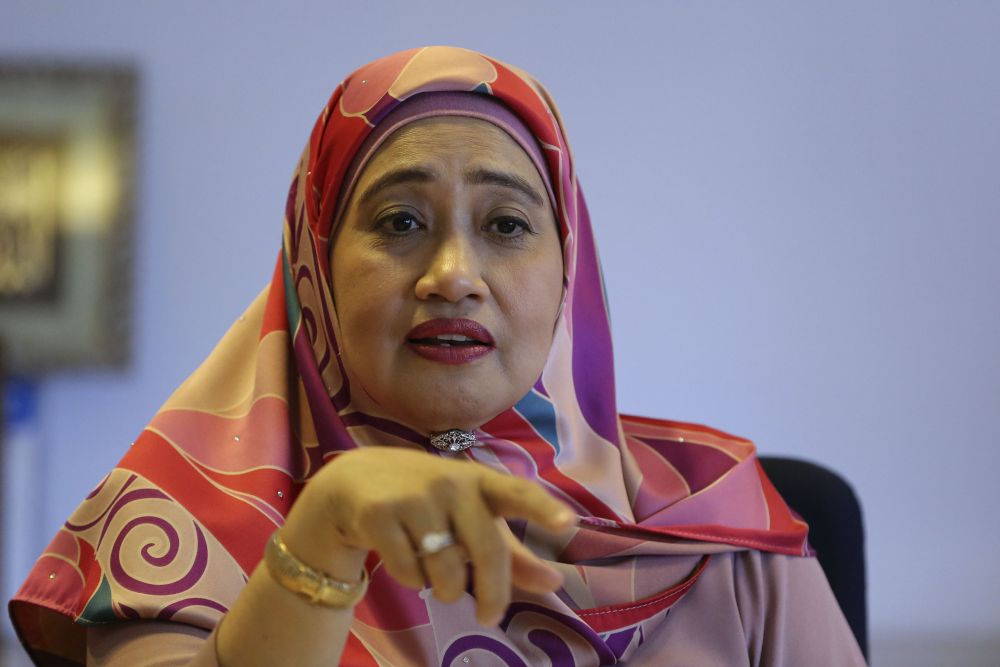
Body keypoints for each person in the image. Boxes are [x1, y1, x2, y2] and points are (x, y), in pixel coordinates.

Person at [9, 46, 866, 666]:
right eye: (400, 222)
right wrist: (322, 536)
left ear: (568, 270)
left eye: (506, 224)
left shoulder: (719, 527)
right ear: (315, 264)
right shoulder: (175, 532)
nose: (453, 275)